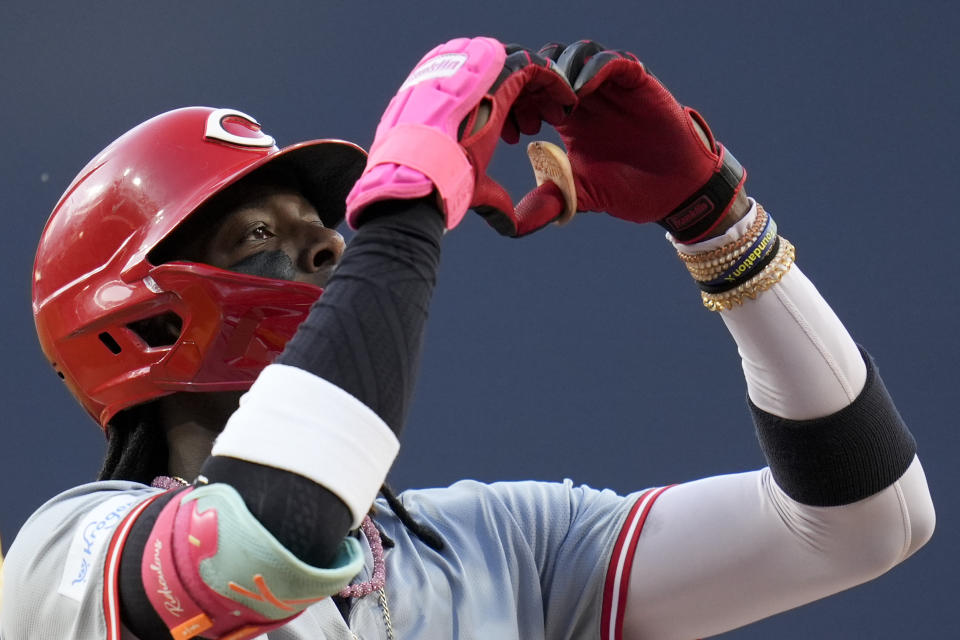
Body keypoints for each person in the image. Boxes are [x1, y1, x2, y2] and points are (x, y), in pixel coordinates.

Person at [1, 36, 934, 640]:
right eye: (259, 237)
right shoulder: (59, 558)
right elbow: (260, 539)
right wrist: (404, 213)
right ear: (147, 321)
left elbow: (863, 523)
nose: (330, 241)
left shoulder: (499, 548)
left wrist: (716, 223)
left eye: (324, 226)